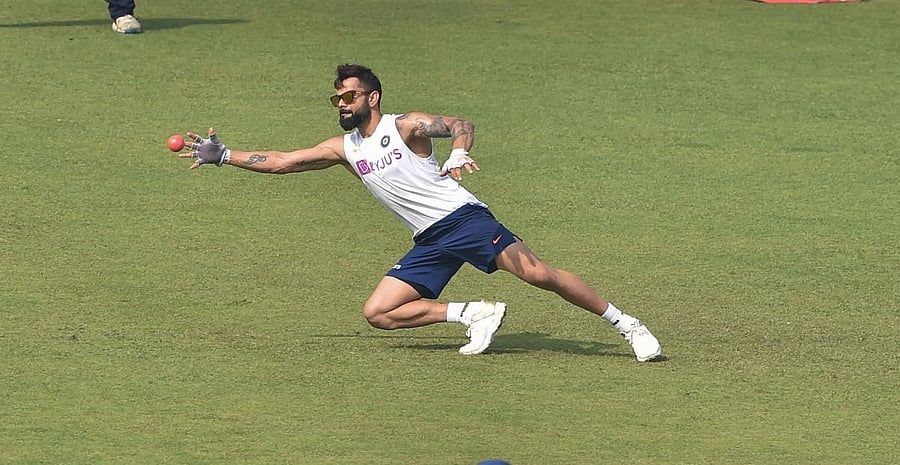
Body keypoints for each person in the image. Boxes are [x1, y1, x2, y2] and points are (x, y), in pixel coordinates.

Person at [177, 63, 663, 361]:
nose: (341, 103)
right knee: (379, 313)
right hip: (429, 238)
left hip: (464, 220)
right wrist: (224, 156)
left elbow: (458, 122)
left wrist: (456, 152)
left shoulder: (404, 127)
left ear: (372, 97)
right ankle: (476, 314)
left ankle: (627, 324)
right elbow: (284, 163)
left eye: (349, 96)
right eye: (336, 97)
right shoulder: (344, 147)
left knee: (538, 274)